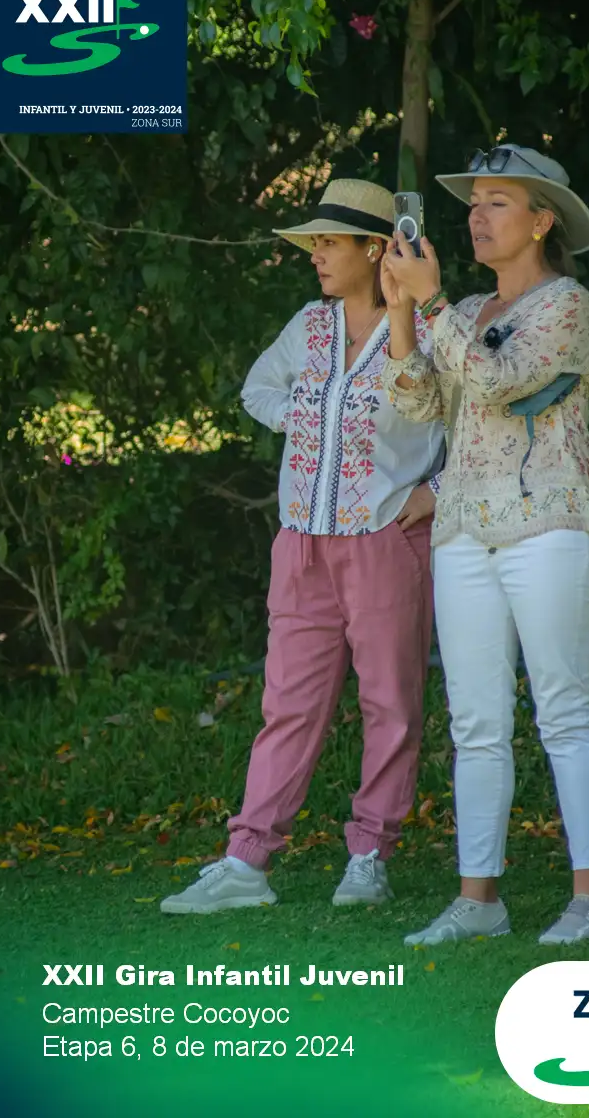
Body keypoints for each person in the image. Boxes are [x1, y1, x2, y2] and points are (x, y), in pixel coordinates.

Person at [161, 178, 443, 916]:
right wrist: (309, 417)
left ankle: (370, 856)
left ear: (374, 249)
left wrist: (435, 494)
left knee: (392, 705)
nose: (315, 255)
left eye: (328, 242)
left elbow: (470, 422)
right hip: (302, 543)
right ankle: (246, 861)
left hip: (384, 540)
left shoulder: (425, 328)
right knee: (287, 703)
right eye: (313, 243)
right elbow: (258, 389)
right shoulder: (309, 326)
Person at [379, 143, 589, 946]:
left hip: (549, 524)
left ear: (542, 221)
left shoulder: (568, 306)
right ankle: (478, 901)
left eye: (497, 203)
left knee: (565, 711)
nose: (477, 217)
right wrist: (402, 312)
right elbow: (419, 405)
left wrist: (433, 300)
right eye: (474, 202)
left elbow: (497, 380)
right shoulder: (466, 310)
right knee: (476, 723)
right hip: (462, 531)